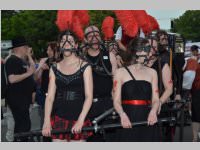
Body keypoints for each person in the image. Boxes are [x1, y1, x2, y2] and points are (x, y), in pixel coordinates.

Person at [42, 30, 93, 142]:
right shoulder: (54, 67)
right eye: (63, 41)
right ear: (60, 45)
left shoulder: (85, 66)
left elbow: (89, 97)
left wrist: (80, 121)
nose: (66, 43)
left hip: (78, 117)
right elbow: (50, 97)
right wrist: (46, 121)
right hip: (59, 117)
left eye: (70, 41)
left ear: (75, 45)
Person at [113, 37, 160, 142]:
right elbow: (116, 100)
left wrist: (153, 111)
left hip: (148, 119)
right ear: (138, 51)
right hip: (127, 119)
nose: (150, 53)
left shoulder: (153, 73)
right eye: (148, 49)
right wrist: (122, 114)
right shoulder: (120, 72)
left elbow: (156, 99)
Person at [83, 25, 117, 141]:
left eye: (97, 34)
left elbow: (116, 81)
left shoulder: (109, 55)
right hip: (88, 106)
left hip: (108, 104)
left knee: (110, 138)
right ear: (85, 39)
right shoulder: (81, 59)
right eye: (90, 35)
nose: (94, 37)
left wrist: (115, 102)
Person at [5, 36, 36, 142]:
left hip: (23, 101)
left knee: (22, 127)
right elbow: (12, 79)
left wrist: (29, 56)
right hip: (17, 100)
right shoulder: (12, 60)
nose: (28, 48)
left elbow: (33, 70)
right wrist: (28, 73)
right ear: (20, 47)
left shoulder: (21, 60)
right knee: (23, 127)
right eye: (26, 46)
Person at [34, 41, 59, 142]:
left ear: (54, 51)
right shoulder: (45, 61)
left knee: (55, 119)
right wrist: (40, 66)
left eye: (49, 50)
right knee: (45, 118)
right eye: (47, 49)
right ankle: (46, 139)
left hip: (56, 96)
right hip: (45, 96)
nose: (47, 51)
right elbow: (36, 78)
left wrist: (50, 69)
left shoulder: (60, 61)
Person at [190, 45, 200, 142]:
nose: (195, 52)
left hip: (196, 89)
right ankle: (194, 138)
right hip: (196, 90)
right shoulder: (191, 60)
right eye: (194, 50)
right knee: (196, 114)